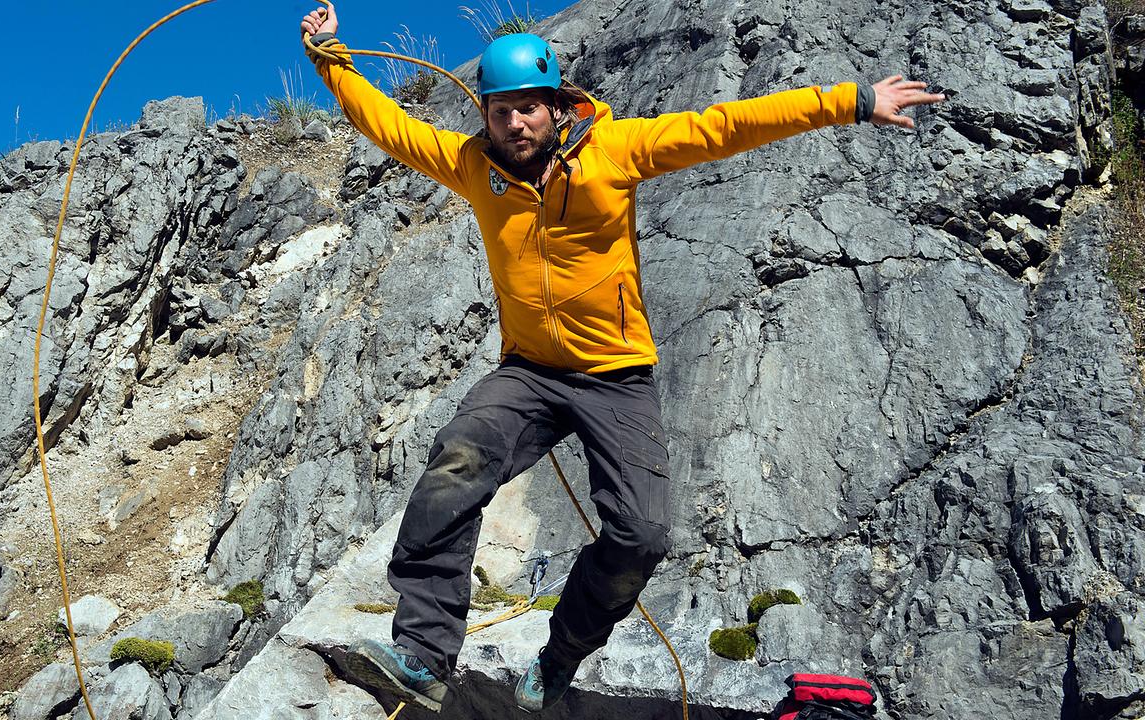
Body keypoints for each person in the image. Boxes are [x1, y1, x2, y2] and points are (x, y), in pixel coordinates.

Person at [300, 2, 944, 714]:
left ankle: (561, 656)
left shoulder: (615, 149)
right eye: (500, 112)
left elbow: (726, 126)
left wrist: (851, 100)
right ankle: (423, 655)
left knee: (641, 535)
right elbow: (388, 125)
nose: (514, 125)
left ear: (556, 106)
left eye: (527, 109)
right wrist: (331, 58)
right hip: (528, 373)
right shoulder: (472, 166)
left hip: (616, 377)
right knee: (458, 459)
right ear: (484, 115)